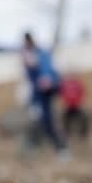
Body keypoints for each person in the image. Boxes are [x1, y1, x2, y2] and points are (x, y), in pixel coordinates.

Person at [20, 32, 70, 161]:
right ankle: (33, 146)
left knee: (47, 122)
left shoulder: (41, 54)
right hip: (36, 95)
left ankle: (61, 149)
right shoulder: (27, 55)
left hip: (44, 93)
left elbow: (47, 72)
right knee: (35, 121)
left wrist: (48, 81)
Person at [59, 71, 88, 140]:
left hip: (77, 105)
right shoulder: (64, 84)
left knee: (83, 119)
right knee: (66, 120)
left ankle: (83, 135)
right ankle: (67, 134)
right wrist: (63, 102)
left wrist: (82, 102)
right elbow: (61, 94)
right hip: (68, 105)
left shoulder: (77, 84)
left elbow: (82, 93)